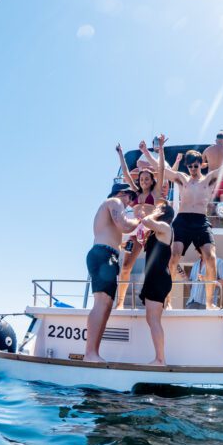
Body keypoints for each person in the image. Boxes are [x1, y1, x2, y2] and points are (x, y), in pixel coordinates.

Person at [139, 131, 223, 309]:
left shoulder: (210, 179)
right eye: (190, 166)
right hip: (182, 220)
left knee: (211, 258)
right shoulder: (182, 179)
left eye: (195, 166)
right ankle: (167, 299)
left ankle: (210, 301)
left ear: (200, 165)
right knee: (173, 257)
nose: (193, 169)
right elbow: (161, 170)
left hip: (201, 221)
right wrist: (148, 151)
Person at [84, 184, 141, 362]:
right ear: (122, 194)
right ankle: (90, 353)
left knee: (106, 305)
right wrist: (140, 219)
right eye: (130, 197)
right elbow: (124, 225)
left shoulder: (110, 207)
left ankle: (94, 353)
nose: (130, 202)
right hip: (103, 254)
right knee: (102, 303)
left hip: (108, 255)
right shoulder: (114, 201)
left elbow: (117, 231)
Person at [115, 143, 160, 309]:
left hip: (152, 232)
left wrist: (159, 150)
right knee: (126, 266)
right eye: (141, 179)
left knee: (159, 269)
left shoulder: (155, 193)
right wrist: (120, 154)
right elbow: (126, 173)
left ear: (151, 180)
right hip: (136, 233)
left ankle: (166, 301)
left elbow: (161, 171)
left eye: (147, 178)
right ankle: (119, 303)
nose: (143, 181)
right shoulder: (135, 191)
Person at [139, 200, 175, 365]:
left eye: (159, 209)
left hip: (158, 277)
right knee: (151, 319)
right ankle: (160, 358)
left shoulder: (166, 227)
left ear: (163, 212)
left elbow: (146, 221)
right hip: (155, 277)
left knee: (153, 320)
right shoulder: (158, 230)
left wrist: (153, 212)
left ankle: (160, 359)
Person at [202, 131, 223, 225]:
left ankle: (206, 223)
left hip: (211, 177)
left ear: (216, 140)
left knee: (209, 203)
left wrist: (208, 164)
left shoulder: (208, 149)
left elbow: (201, 164)